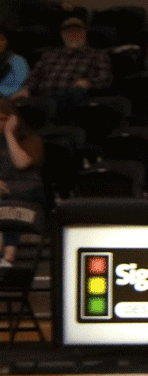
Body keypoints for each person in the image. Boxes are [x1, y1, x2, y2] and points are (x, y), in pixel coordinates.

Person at [16, 16, 110, 117]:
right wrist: (26, 89)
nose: (73, 35)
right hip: (42, 99)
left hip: (73, 101)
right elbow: (34, 77)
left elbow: (105, 79)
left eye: (77, 31)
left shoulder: (97, 55)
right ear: (62, 35)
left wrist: (88, 83)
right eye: (69, 32)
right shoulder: (48, 55)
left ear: (85, 33)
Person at [0, 97, 45, 268]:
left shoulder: (30, 139)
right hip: (4, 193)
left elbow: (21, 163)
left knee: (13, 201)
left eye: (2, 118)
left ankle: (9, 254)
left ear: (13, 119)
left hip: (30, 192)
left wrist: (9, 134)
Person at [0, 29, 26, 98]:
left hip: (10, 99)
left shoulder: (17, 60)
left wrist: (2, 92)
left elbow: (21, 85)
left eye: (1, 40)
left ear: (6, 41)